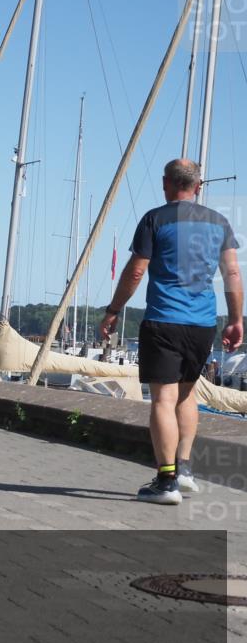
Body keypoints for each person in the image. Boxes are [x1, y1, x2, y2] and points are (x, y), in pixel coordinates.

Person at [100, 159, 242, 504]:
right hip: (202, 324)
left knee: (163, 398)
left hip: (164, 319)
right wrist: (237, 320)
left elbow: (135, 272)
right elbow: (233, 275)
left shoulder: (155, 219)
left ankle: (166, 483)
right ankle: (185, 468)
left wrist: (114, 310)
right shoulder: (219, 223)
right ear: (199, 186)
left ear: (166, 183)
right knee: (187, 395)